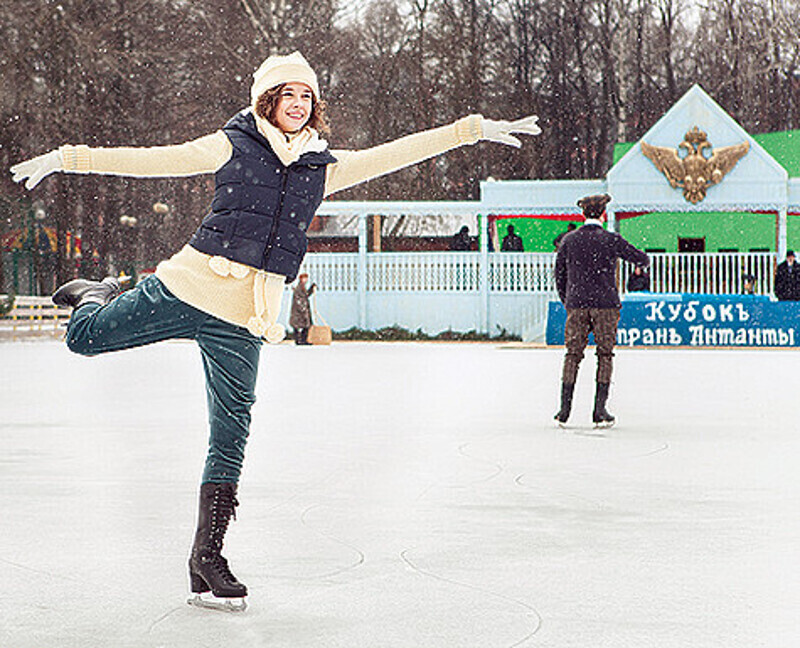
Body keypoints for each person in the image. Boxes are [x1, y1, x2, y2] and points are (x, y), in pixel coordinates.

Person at [10, 51, 542, 609]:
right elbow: (151, 161)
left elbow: (398, 152)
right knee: (83, 338)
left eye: (306, 97)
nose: (297, 104)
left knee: (232, 431)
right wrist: (68, 158)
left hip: (247, 314)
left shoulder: (323, 166)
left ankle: (207, 557)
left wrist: (472, 130)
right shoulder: (230, 143)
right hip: (192, 286)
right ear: (268, 100)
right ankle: (97, 294)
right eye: (288, 95)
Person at [553, 194, 649, 428]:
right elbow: (641, 258)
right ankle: (599, 410)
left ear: (583, 214)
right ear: (603, 215)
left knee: (572, 354)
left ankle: (564, 410)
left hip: (577, 304)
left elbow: (559, 275)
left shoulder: (569, 240)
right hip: (605, 304)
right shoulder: (610, 239)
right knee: (605, 355)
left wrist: (568, 300)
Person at [289, 273, 316, 344]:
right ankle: (300, 340)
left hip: (301, 310)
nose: (306, 280)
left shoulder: (302, 287)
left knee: (303, 326)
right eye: (304, 278)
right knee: (300, 326)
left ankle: (302, 340)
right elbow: (299, 299)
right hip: (299, 311)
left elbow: (305, 295)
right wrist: (303, 308)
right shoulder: (299, 288)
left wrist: (311, 289)